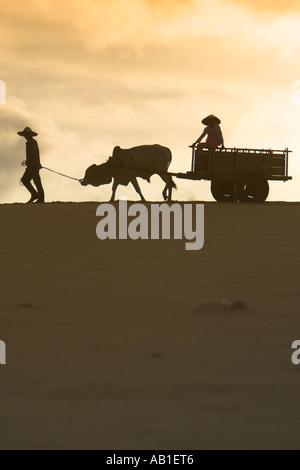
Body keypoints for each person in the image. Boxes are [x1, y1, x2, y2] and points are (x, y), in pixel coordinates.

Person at [17, 127, 45, 203]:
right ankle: (38, 197)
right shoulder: (31, 142)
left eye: (26, 135)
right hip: (33, 165)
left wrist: (28, 162)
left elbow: (33, 155)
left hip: (33, 166)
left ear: (29, 135)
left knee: (26, 180)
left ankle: (37, 196)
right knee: (35, 181)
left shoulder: (32, 143)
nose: (25, 136)